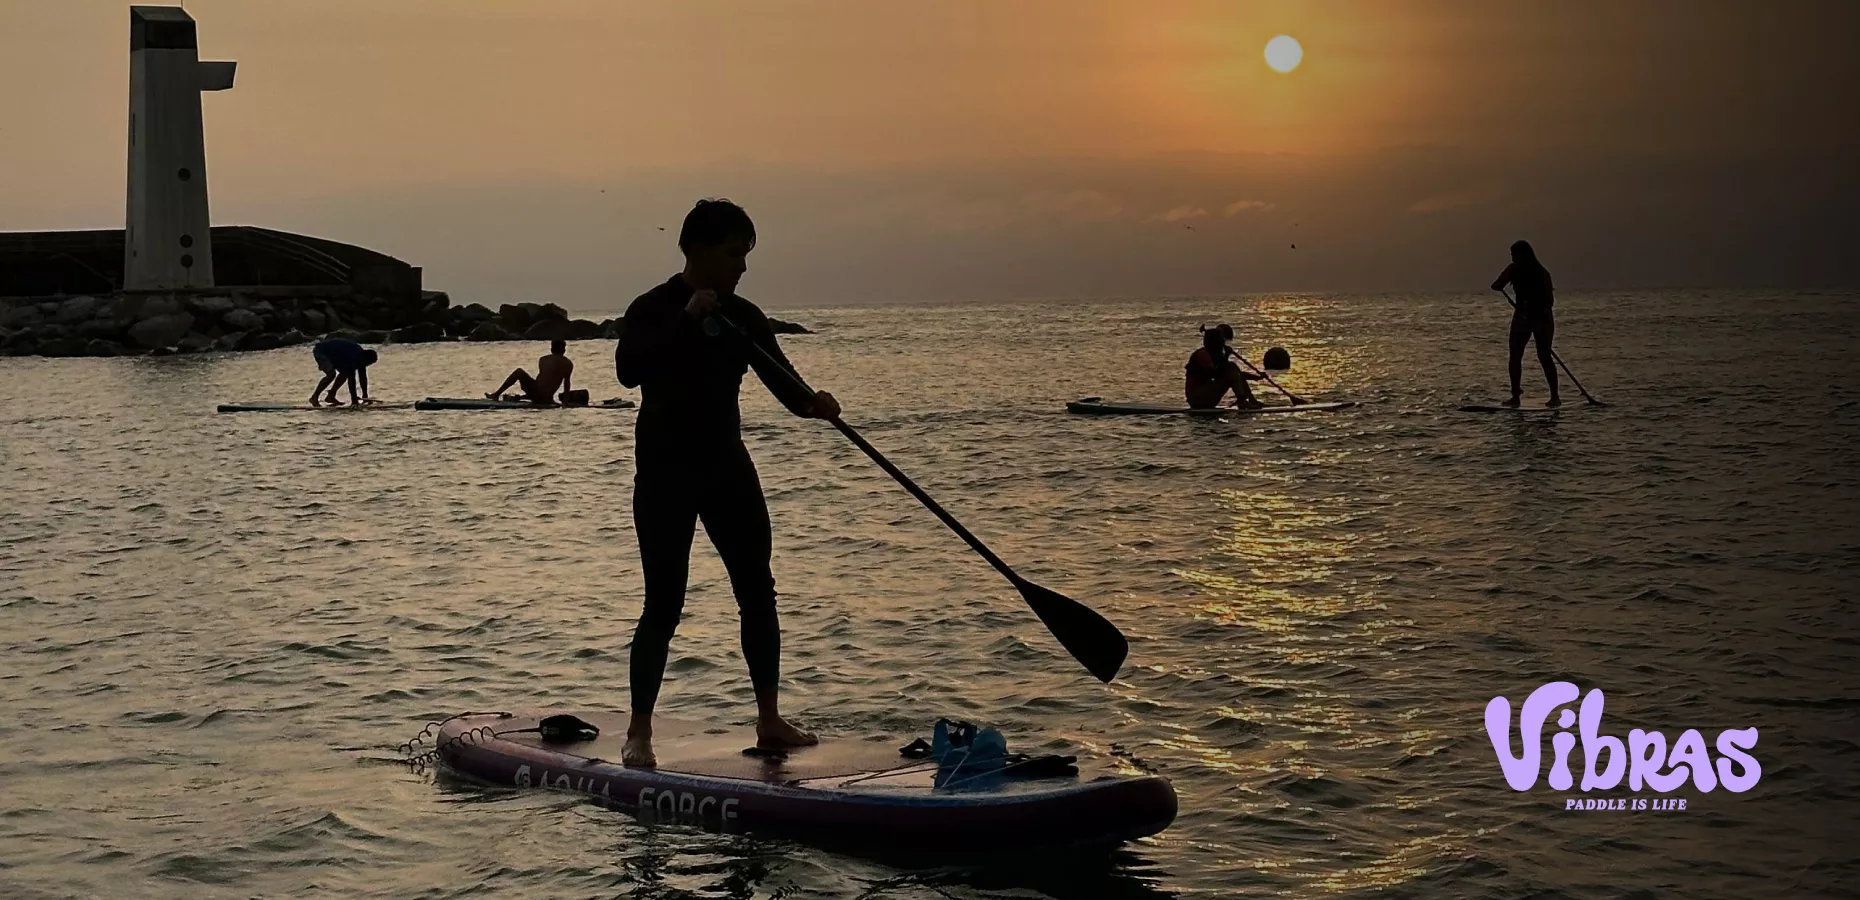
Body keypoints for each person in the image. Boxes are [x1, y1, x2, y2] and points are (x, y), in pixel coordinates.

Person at [614, 198, 841, 768]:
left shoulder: (744, 316)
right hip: (665, 473)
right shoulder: (652, 307)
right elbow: (628, 371)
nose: (742, 266)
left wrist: (814, 403)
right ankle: (639, 731)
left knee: (757, 591)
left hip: (726, 467)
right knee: (664, 603)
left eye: (745, 255)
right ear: (698, 250)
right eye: (733, 253)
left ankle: (770, 720)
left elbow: (783, 382)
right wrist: (687, 319)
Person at [1491, 239, 1559, 407]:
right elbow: (1496, 285)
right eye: (1512, 254)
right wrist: (1500, 284)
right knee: (1515, 355)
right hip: (1521, 317)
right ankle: (1515, 396)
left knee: (1544, 355)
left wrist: (1536, 315)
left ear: (1524, 255)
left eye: (1515, 254)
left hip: (1542, 318)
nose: (1513, 257)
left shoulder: (1541, 273)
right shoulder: (1513, 269)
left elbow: (1549, 301)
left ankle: (1555, 396)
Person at [1185, 323, 1264, 409]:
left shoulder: (1215, 356)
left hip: (1207, 396)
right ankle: (1242, 400)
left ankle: (1251, 399)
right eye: (1221, 342)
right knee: (1230, 368)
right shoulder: (1203, 354)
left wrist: (1257, 377)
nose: (1223, 345)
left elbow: (1237, 375)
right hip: (1197, 399)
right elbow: (1215, 373)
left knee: (1232, 366)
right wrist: (1226, 356)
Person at [486, 339, 575, 405]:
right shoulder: (568, 363)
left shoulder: (543, 359)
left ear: (551, 349)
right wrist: (565, 403)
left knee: (519, 372)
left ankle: (497, 394)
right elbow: (566, 384)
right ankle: (518, 397)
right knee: (539, 390)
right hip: (547, 398)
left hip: (538, 395)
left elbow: (541, 384)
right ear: (564, 350)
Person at [309, 338, 377, 406]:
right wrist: (354, 401)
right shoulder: (352, 357)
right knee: (331, 374)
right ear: (364, 358)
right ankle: (314, 397)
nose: (366, 365)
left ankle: (331, 396)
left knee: (344, 373)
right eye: (367, 363)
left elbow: (363, 377)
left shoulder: (361, 358)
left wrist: (365, 395)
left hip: (337, 355)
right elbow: (351, 381)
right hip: (321, 351)